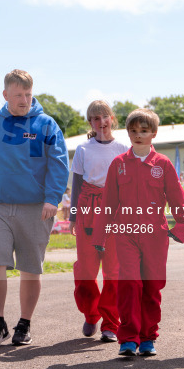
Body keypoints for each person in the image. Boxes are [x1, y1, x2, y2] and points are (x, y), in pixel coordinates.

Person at [0, 69, 69, 348]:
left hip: (36, 208)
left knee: (30, 268)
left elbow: (59, 164)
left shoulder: (46, 125)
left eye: (28, 94)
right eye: (18, 94)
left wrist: (52, 198)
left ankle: (24, 323)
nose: (24, 100)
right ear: (5, 94)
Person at [92, 108, 184, 356]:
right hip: (126, 233)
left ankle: (148, 337)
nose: (139, 135)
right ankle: (128, 338)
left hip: (155, 235)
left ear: (154, 134)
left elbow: (177, 198)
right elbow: (108, 204)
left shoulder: (163, 165)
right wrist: (100, 235)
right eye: (134, 131)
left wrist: (181, 226)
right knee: (129, 284)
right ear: (127, 133)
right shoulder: (118, 164)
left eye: (144, 131)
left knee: (151, 286)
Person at [67, 101, 129, 342]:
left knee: (113, 271)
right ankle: (91, 314)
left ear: (112, 118)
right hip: (88, 211)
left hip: (115, 211)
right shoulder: (83, 149)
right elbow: (77, 187)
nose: (100, 122)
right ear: (90, 122)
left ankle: (111, 323)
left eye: (104, 116)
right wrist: (73, 216)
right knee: (86, 269)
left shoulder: (124, 147)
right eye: (95, 118)